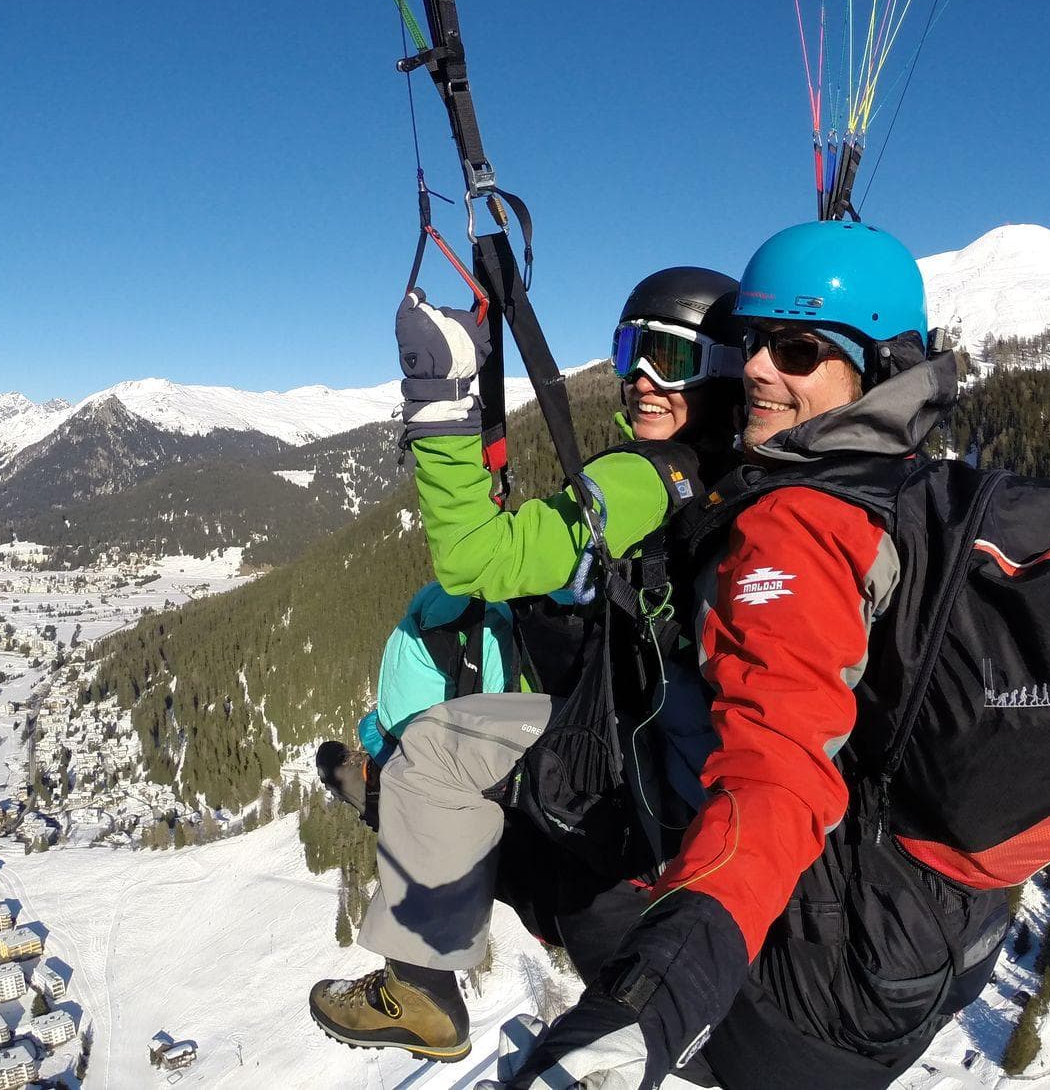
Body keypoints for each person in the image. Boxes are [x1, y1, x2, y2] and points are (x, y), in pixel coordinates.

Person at [488, 219, 1010, 1090]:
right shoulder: (907, 484)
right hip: (920, 954)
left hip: (802, 1000)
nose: (758, 369)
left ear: (876, 370)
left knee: (564, 857)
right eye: (752, 344)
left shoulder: (799, 528)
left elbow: (776, 775)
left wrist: (654, 999)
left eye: (796, 350)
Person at [307, 267, 747, 1063]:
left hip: (634, 758)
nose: (641, 380)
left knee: (433, 745)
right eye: (629, 351)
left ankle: (421, 986)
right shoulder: (727, 468)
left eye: (670, 360)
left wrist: (437, 398)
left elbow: (474, 559)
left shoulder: (645, 475)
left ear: (720, 371)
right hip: (678, 742)